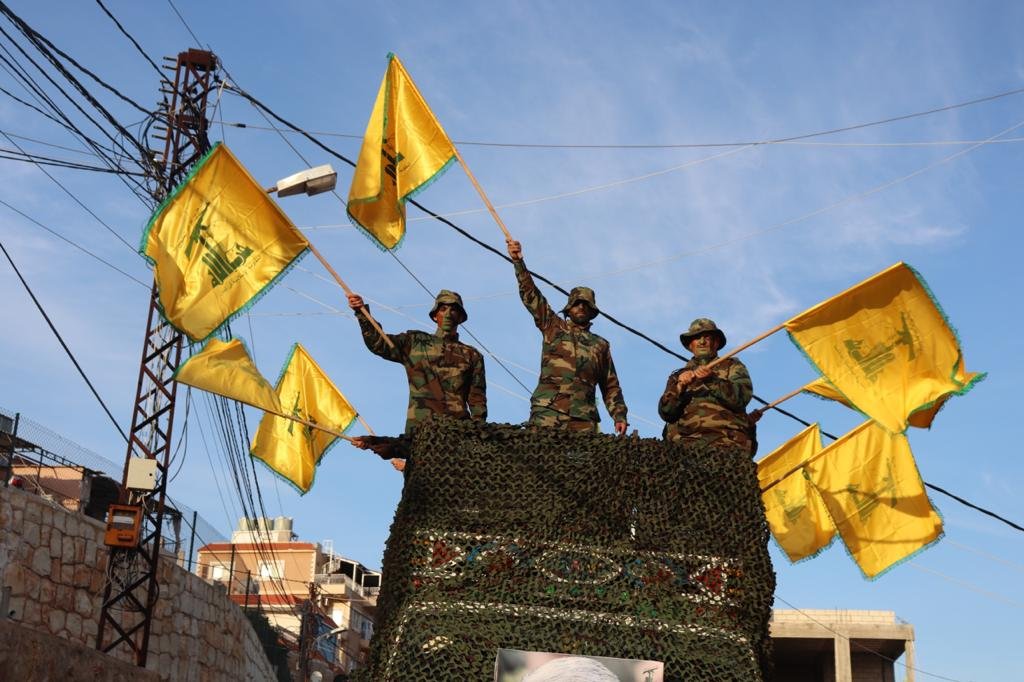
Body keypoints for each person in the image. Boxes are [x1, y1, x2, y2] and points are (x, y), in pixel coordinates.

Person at [346, 290, 487, 469]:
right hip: (420, 433)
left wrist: (478, 436)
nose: (449, 314)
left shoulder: (471, 355)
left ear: (460, 317)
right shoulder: (415, 342)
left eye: (454, 310)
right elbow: (379, 344)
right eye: (443, 309)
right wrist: (361, 313)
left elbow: (477, 401)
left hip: (457, 435)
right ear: (435, 316)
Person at [506, 239, 627, 434]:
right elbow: (531, 295)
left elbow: (610, 384)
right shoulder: (552, 326)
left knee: (581, 464)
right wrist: (518, 261)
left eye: (586, 305)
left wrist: (619, 415)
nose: (581, 307)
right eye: (577, 304)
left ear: (592, 311)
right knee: (538, 460)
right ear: (569, 309)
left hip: (584, 419)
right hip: (548, 411)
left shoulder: (600, 345)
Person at [658, 318, 754, 453]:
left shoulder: (732, 366)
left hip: (725, 444)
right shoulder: (678, 376)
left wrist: (712, 380)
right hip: (682, 447)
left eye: (707, 337)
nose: (702, 342)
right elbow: (666, 413)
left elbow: (741, 398)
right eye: (697, 338)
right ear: (690, 345)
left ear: (716, 342)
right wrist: (679, 388)